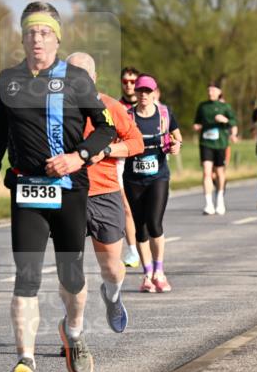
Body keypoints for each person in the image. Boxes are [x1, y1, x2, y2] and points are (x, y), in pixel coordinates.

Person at [0, 2, 115, 372]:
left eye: (44, 32)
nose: (37, 39)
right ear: (22, 37)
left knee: (72, 276)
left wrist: (78, 156)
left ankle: (73, 333)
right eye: (31, 32)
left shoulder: (77, 79)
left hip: (71, 189)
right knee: (27, 276)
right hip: (26, 188)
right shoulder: (8, 81)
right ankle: (25, 361)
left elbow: (105, 129)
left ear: (57, 38)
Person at [66, 53, 143, 330]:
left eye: (82, 76)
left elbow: (136, 143)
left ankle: (112, 296)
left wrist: (107, 149)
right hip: (68, 193)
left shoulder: (110, 106)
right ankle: (73, 328)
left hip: (104, 192)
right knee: (70, 270)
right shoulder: (53, 109)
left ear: (94, 78)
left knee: (111, 267)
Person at [122, 75, 182, 292]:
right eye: (140, 91)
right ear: (135, 93)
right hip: (133, 178)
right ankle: (147, 275)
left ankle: (159, 271)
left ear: (155, 92)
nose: (144, 95)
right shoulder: (127, 116)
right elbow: (116, 139)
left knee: (155, 224)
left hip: (158, 177)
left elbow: (177, 137)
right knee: (140, 228)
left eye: (148, 91)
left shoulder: (164, 114)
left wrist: (176, 146)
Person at [193, 81, 238, 215]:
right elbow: (196, 122)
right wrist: (196, 126)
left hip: (221, 144)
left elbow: (233, 123)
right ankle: (208, 204)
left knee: (219, 173)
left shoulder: (225, 107)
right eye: (208, 90)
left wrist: (225, 120)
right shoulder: (202, 106)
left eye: (213, 90)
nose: (210, 93)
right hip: (206, 143)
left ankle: (219, 201)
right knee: (207, 173)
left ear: (219, 92)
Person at [118, 67, 142, 268]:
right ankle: (132, 250)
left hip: (145, 165)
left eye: (133, 81)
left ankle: (145, 246)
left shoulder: (151, 106)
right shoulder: (116, 107)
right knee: (126, 207)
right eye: (125, 81)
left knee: (143, 211)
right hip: (122, 162)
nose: (129, 85)